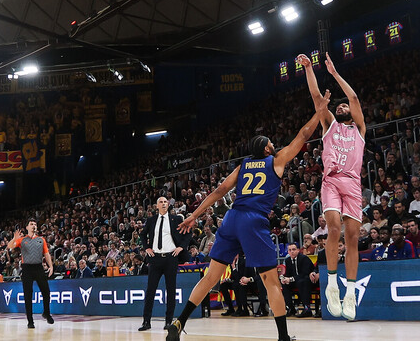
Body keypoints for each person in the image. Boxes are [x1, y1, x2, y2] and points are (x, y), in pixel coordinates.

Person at [167, 90, 329, 341]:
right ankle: (284, 337)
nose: (274, 144)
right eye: (270, 142)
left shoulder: (243, 166)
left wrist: (194, 215)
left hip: (232, 218)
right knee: (270, 280)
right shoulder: (275, 160)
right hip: (253, 220)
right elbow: (303, 135)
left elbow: (220, 191)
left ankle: (180, 321)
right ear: (266, 147)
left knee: (211, 276)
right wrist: (319, 113)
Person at [302, 53, 364, 320]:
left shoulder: (359, 128)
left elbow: (354, 99)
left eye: (342, 107)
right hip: (332, 181)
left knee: (352, 238)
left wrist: (336, 74)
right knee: (334, 227)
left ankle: (350, 292)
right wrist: (308, 68)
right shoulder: (329, 125)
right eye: (337, 107)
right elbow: (317, 98)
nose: (340, 107)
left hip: (353, 183)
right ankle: (331, 285)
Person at [138, 196, 191, 331]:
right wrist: (146, 248)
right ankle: (146, 322)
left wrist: (181, 247)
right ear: (157, 206)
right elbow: (142, 235)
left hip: (170, 258)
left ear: (168, 205)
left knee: (171, 290)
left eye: (165, 202)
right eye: (160, 202)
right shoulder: (151, 220)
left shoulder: (176, 219)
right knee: (150, 291)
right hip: (155, 259)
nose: (163, 204)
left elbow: (188, 234)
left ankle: (168, 321)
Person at [7, 218, 54, 329]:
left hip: (38, 267)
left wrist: (51, 266)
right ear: (27, 227)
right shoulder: (22, 240)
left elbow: (46, 254)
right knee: (28, 295)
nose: (33, 226)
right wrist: (14, 238)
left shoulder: (41, 240)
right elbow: (9, 246)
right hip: (27, 269)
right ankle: (30, 321)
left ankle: (46, 312)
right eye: (31, 224)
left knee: (46, 291)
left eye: (35, 224)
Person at [280, 243, 315, 318]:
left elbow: (305, 273)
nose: (292, 252)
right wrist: (284, 278)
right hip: (296, 280)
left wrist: (291, 279)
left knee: (302, 282)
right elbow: (288, 274)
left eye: (293, 249)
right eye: (289, 250)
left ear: (298, 250)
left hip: (308, 280)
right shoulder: (288, 260)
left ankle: (307, 308)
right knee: (284, 284)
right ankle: (291, 308)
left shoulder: (304, 258)